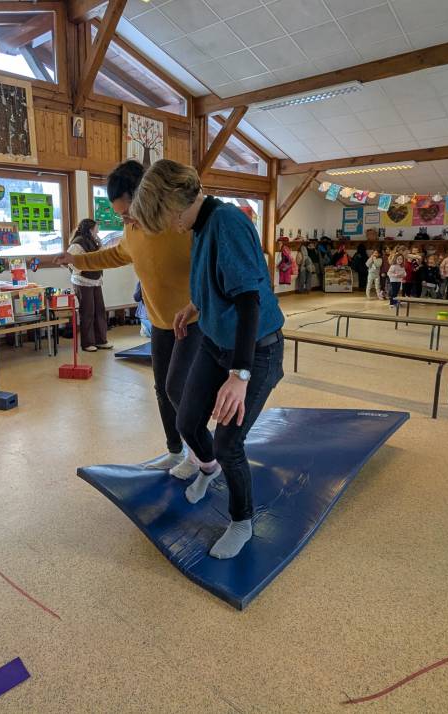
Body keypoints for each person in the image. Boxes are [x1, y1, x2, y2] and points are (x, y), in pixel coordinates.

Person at [131, 160, 285, 560]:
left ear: (174, 203)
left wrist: (240, 375)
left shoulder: (227, 223)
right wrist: (193, 306)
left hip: (255, 350)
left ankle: (242, 521)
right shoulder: (199, 224)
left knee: (229, 442)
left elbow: (249, 300)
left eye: (163, 218)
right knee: (187, 419)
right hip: (216, 343)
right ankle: (207, 470)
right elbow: (213, 279)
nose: (167, 227)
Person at [55, 160, 200, 478]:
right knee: (162, 388)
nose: (126, 220)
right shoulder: (132, 230)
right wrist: (76, 259)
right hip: (161, 322)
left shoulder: (178, 223)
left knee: (181, 390)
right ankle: (175, 451)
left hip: (194, 321)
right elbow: (117, 253)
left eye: (127, 212)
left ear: (148, 195)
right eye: (121, 215)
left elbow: (210, 261)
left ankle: (199, 455)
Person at [67, 218, 112, 353]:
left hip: (95, 280)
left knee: (99, 310)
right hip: (82, 281)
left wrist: (100, 243)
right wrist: (82, 271)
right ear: (90, 229)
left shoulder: (94, 241)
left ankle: (101, 340)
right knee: (88, 312)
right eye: (96, 228)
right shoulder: (78, 243)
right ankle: (87, 343)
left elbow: (102, 256)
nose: (98, 230)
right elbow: (70, 262)